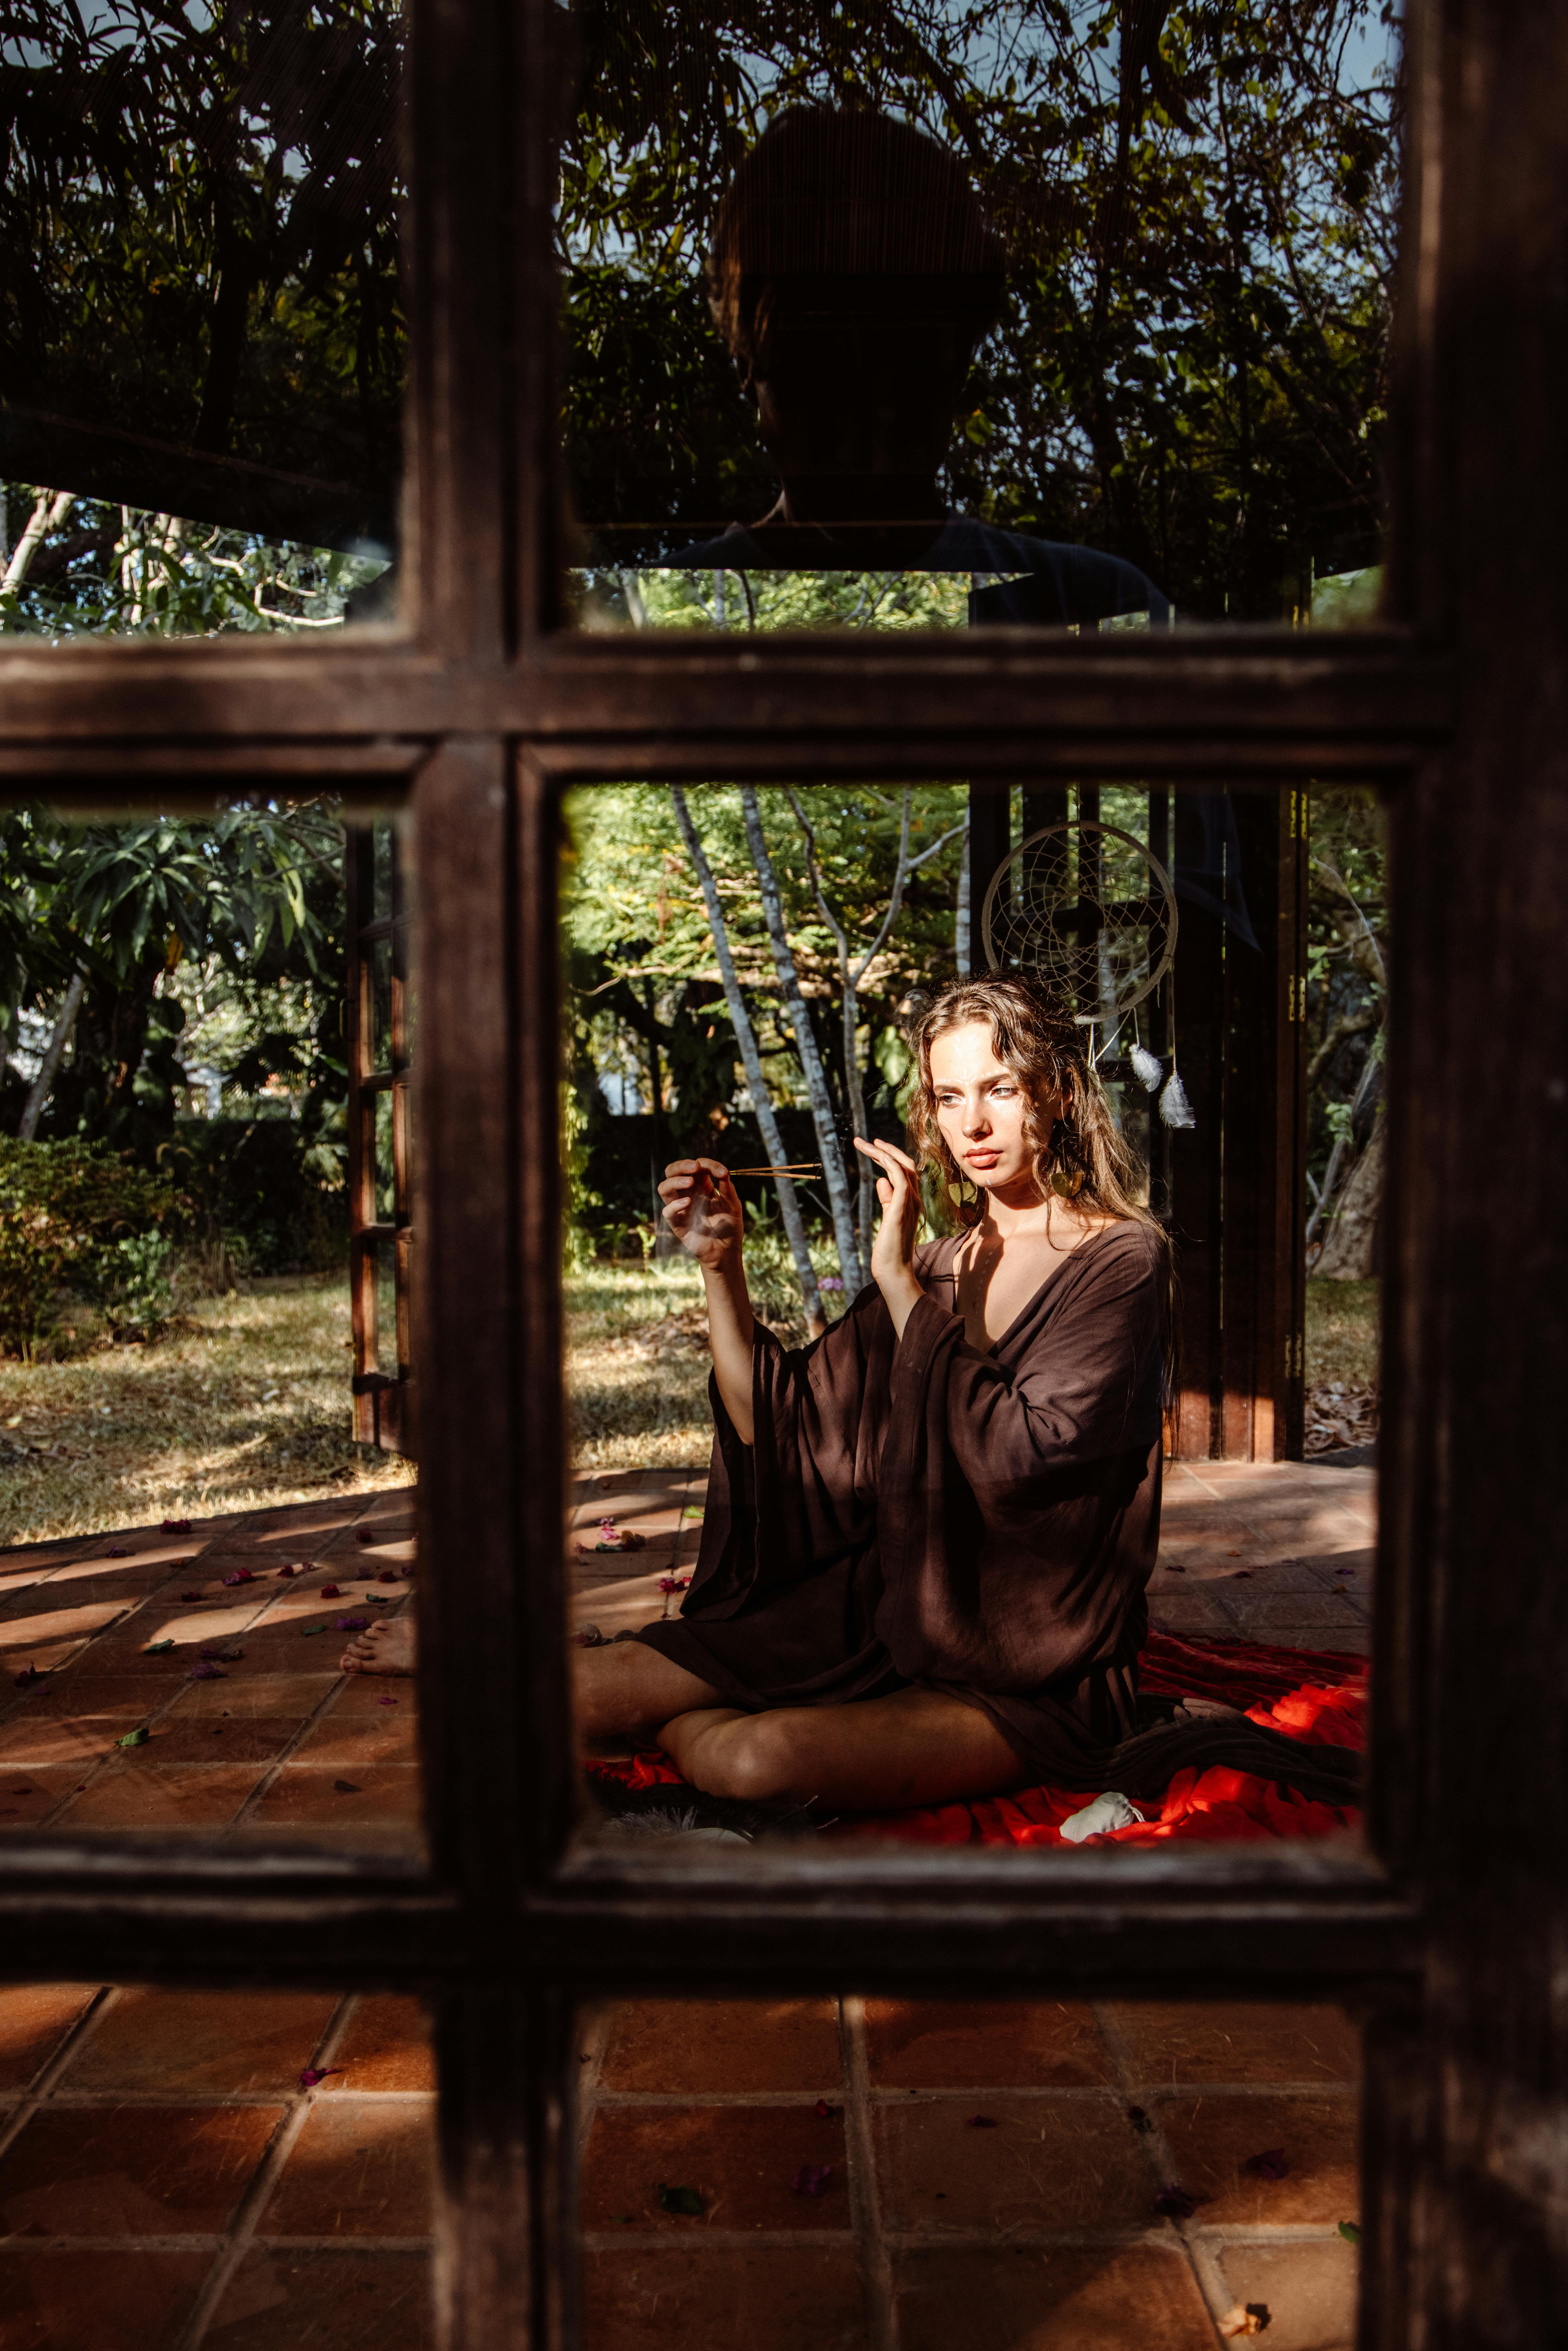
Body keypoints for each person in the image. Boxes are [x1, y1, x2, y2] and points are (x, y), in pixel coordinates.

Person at [340, 975, 1351, 1819]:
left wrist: (902, 1284)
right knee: (576, 1691)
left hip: (1020, 1661)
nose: (974, 1124)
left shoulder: (1121, 1259)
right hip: (879, 1609)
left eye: (1000, 1089)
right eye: (949, 1098)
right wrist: (721, 1270)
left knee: (748, 1763)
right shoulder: (949, 1259)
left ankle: (702, 1721)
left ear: (1054, 1094)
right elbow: (783, 1433)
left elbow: (1023, 1458)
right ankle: (665, 1698)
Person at [662, 107, 1170, 625]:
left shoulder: (1102, 607)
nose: (867, 435)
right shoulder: (1086, 607)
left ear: (957, 364)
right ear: (747, 362)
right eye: (819, 373)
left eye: (907, 371)